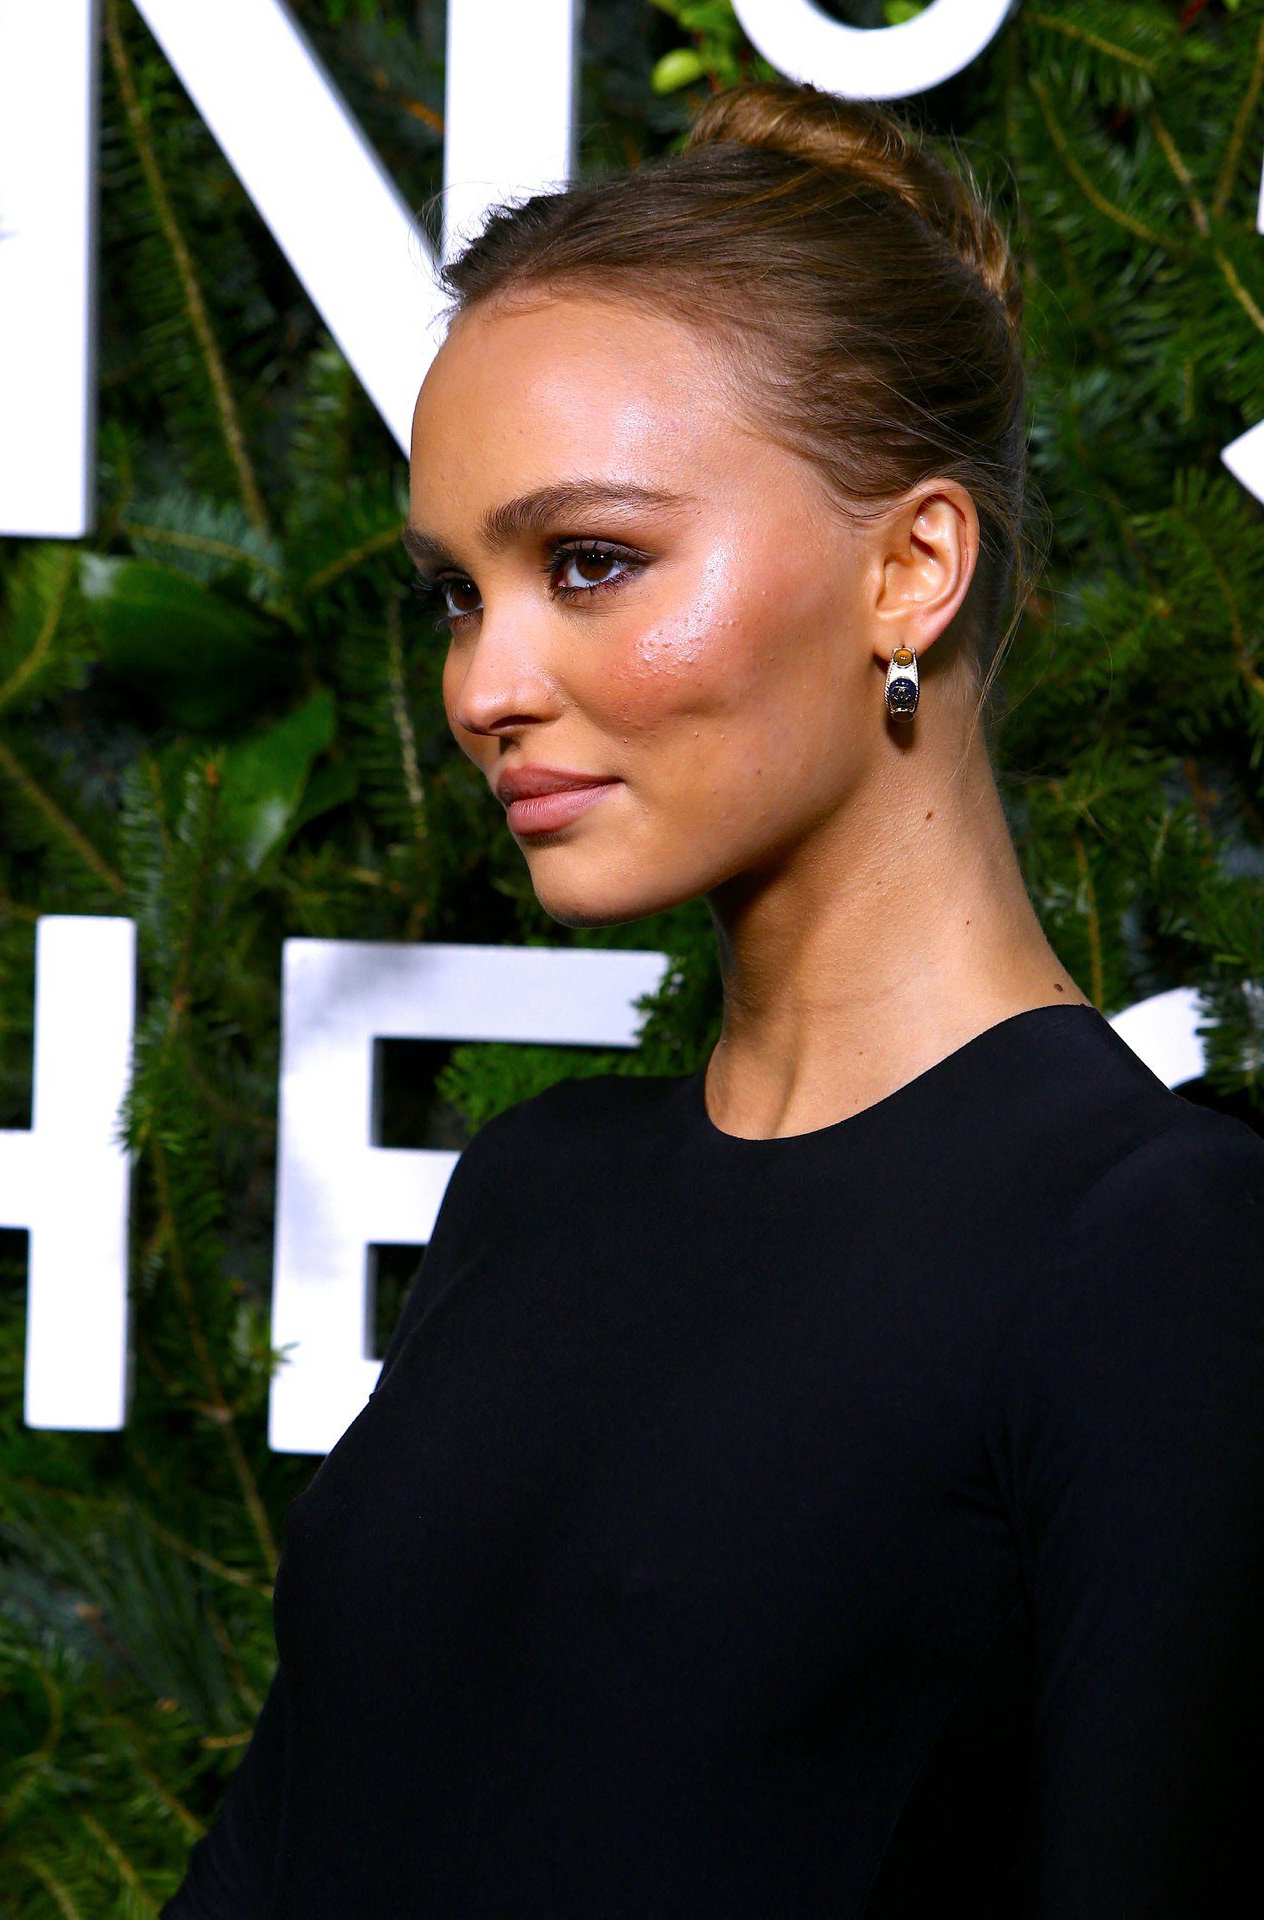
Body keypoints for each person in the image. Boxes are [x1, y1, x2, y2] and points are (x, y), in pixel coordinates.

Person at [162, 79, 1264, 1917]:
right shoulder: (533, 1190)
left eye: (588, 562)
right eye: (458, 594)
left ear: (911, 567)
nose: (483, 688)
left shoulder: (1160, 1251)